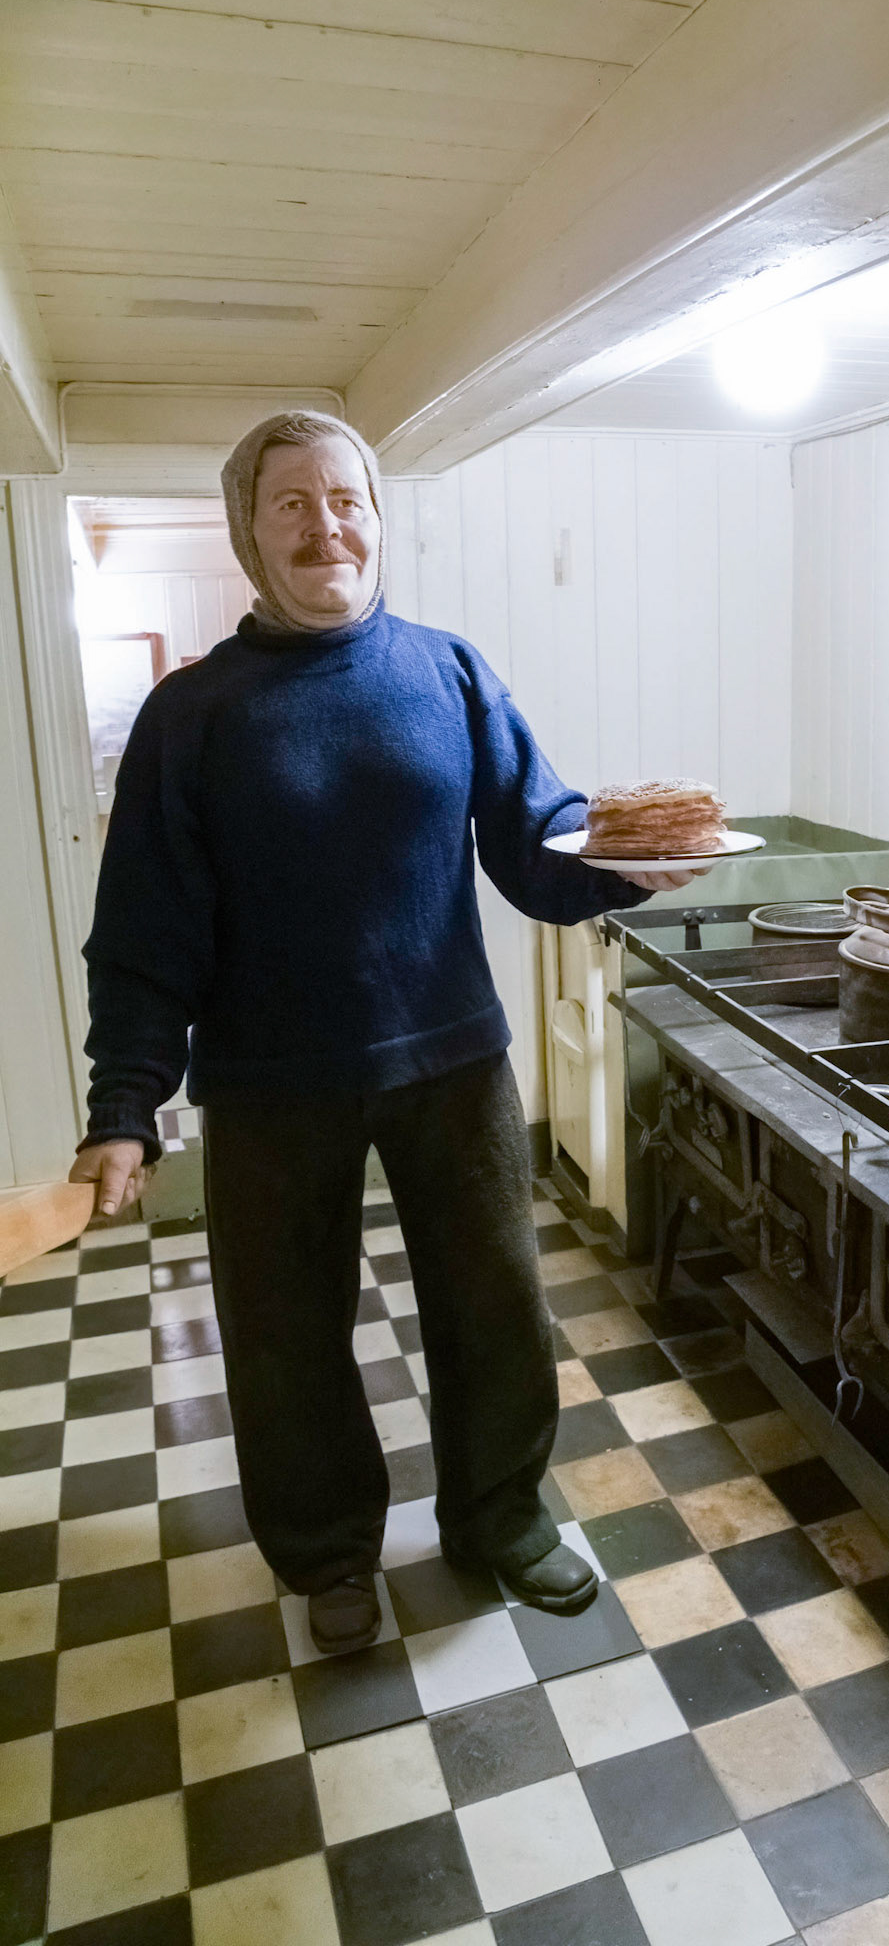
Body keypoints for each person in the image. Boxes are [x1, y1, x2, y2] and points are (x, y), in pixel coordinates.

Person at [68, 410, 707, 1652]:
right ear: (249, 531)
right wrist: (124, 1105)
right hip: (266, 1083)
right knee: (285, 1328)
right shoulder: (192, 716)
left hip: (450, 1058)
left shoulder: (448, 671)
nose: (326, 525)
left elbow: (537, 841)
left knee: (494, 1303)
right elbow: (146, 931)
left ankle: (500, 1519)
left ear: (378, 515)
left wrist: (626, 866)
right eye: (292, 502)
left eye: (346, 497)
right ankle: (327, 1554)